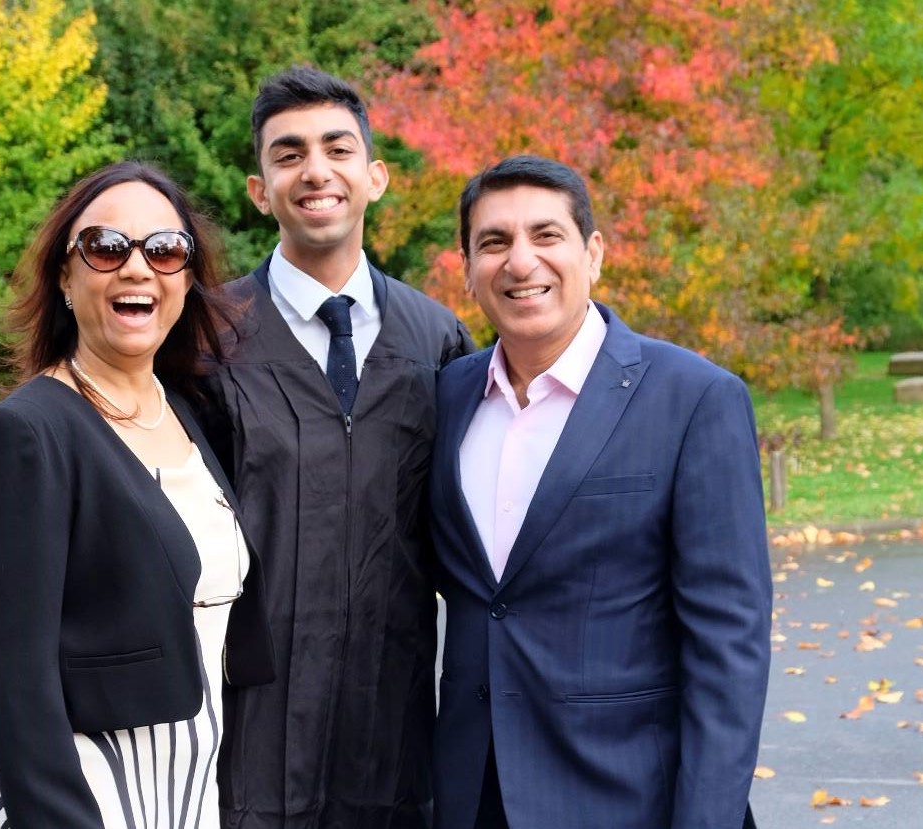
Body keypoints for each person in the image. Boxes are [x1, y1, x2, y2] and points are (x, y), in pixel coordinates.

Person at [429, 155, 771, 829]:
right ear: (467, 268)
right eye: (493, 242)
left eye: (546, 235)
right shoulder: (447, 396)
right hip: (473, 798)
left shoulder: (694, 399)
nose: (520, 261)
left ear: (593, 254)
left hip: (627, 798)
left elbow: (729, 645)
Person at [199, 66, 475, 828]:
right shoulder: (204, 341)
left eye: (336, 148)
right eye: (288, 154)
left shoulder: (439, 339)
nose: (315, 170)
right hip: (247, 725)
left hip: (394, 719)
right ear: (260, 189)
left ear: (374, 175)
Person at [0, 160, 274, 829]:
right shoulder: (26, 433)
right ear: (66, 279)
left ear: (186, 281)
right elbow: (10, 668)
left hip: (189, 794)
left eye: (164, 250)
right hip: (86, 793)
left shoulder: (185, 412)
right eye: (106, 247)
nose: (138, 267)